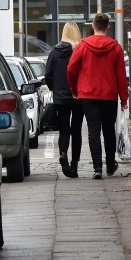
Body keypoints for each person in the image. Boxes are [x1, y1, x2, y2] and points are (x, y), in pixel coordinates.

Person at [66, 13, 129, 179]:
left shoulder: (83, 46)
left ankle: (97, 168)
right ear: (108, 27)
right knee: (109, 130)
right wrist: (124, 98)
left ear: (93, 26)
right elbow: (121, 75)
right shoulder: (115, 47)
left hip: (88, 95)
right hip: (109, 95)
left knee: (93, 130)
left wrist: (75, 89)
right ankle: (110, 164)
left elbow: (71, 68)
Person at [45, 22, 84, 178]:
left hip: (60, 98)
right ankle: (74, 165)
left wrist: (55, 89)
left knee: (64, 129)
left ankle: (63, 154)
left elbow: (48, 74)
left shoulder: (54, 52)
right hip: (78, 96)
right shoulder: (80, 51)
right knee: (76, 130)